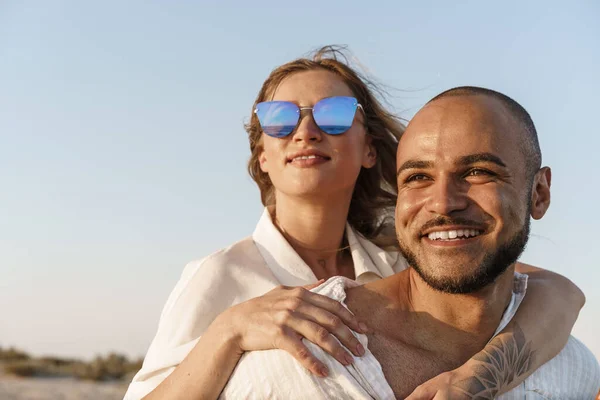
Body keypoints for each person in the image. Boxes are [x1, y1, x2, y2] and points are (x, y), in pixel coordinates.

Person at [124, 47, 585, 400]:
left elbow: (555, 292)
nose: (306, 131)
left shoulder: (402, 253)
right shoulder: (222, 274)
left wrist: (476, 376)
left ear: (370, 149)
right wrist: (228, 332)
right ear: (263, 155)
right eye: (280, 120)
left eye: (333, 114)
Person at [215, 86, 600, 399]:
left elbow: (557, 290)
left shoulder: (570, 369)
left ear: (540, 193)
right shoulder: (299, 354)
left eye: (479, 171)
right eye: (417, 177)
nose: (444, 203)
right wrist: (227, 330)